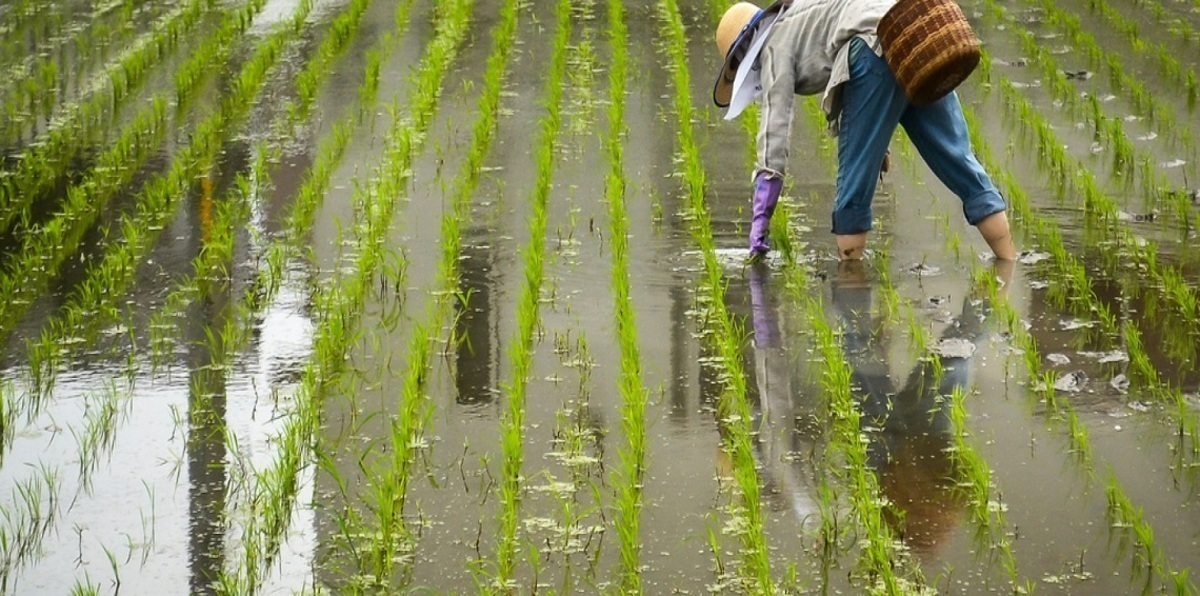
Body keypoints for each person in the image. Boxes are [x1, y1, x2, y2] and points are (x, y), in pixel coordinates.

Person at [713, 0, 1017, 262]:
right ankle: (1008, 265)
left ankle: (852, 302)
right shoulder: (802, 12)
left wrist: (761, 215)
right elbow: (855, 28)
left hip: (874, 51)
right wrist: (877, 142)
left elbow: (774, 128)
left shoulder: (774, 47)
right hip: (911, 37)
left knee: (853, 191)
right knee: (959, 162)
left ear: (744, 52)